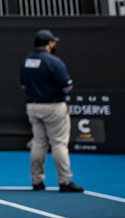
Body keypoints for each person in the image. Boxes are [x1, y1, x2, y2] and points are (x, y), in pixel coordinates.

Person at [19, 29, 84, 193]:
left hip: (33, 106)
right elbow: (67, 86)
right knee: (59, 143)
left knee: (39, 142)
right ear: (50, 43)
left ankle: (36, 181)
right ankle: (64, 181)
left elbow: (24, 85)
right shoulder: (53, 61)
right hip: (53, 106)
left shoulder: (27, 61)